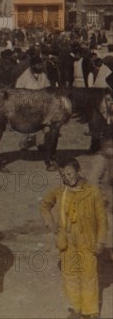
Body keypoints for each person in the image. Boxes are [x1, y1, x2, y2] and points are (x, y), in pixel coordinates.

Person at [40, 158, 107, 319]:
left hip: (87, 240)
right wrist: (51, 224)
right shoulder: (60, 192)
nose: (67, 177)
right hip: (67, 241)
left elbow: (101, 219)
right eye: (63, 175)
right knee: (70, 276)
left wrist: (100, 241)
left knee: (88, 275)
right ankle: (76, 308)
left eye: (69, 173)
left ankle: (90, 310)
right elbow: (44, 205)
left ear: (78, 172)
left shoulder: (92, 191)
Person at [86, 136, 113, 261]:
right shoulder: (101, 160)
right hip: (104, 203)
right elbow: (92, 181)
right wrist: (101, 199)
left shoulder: (108, 160)